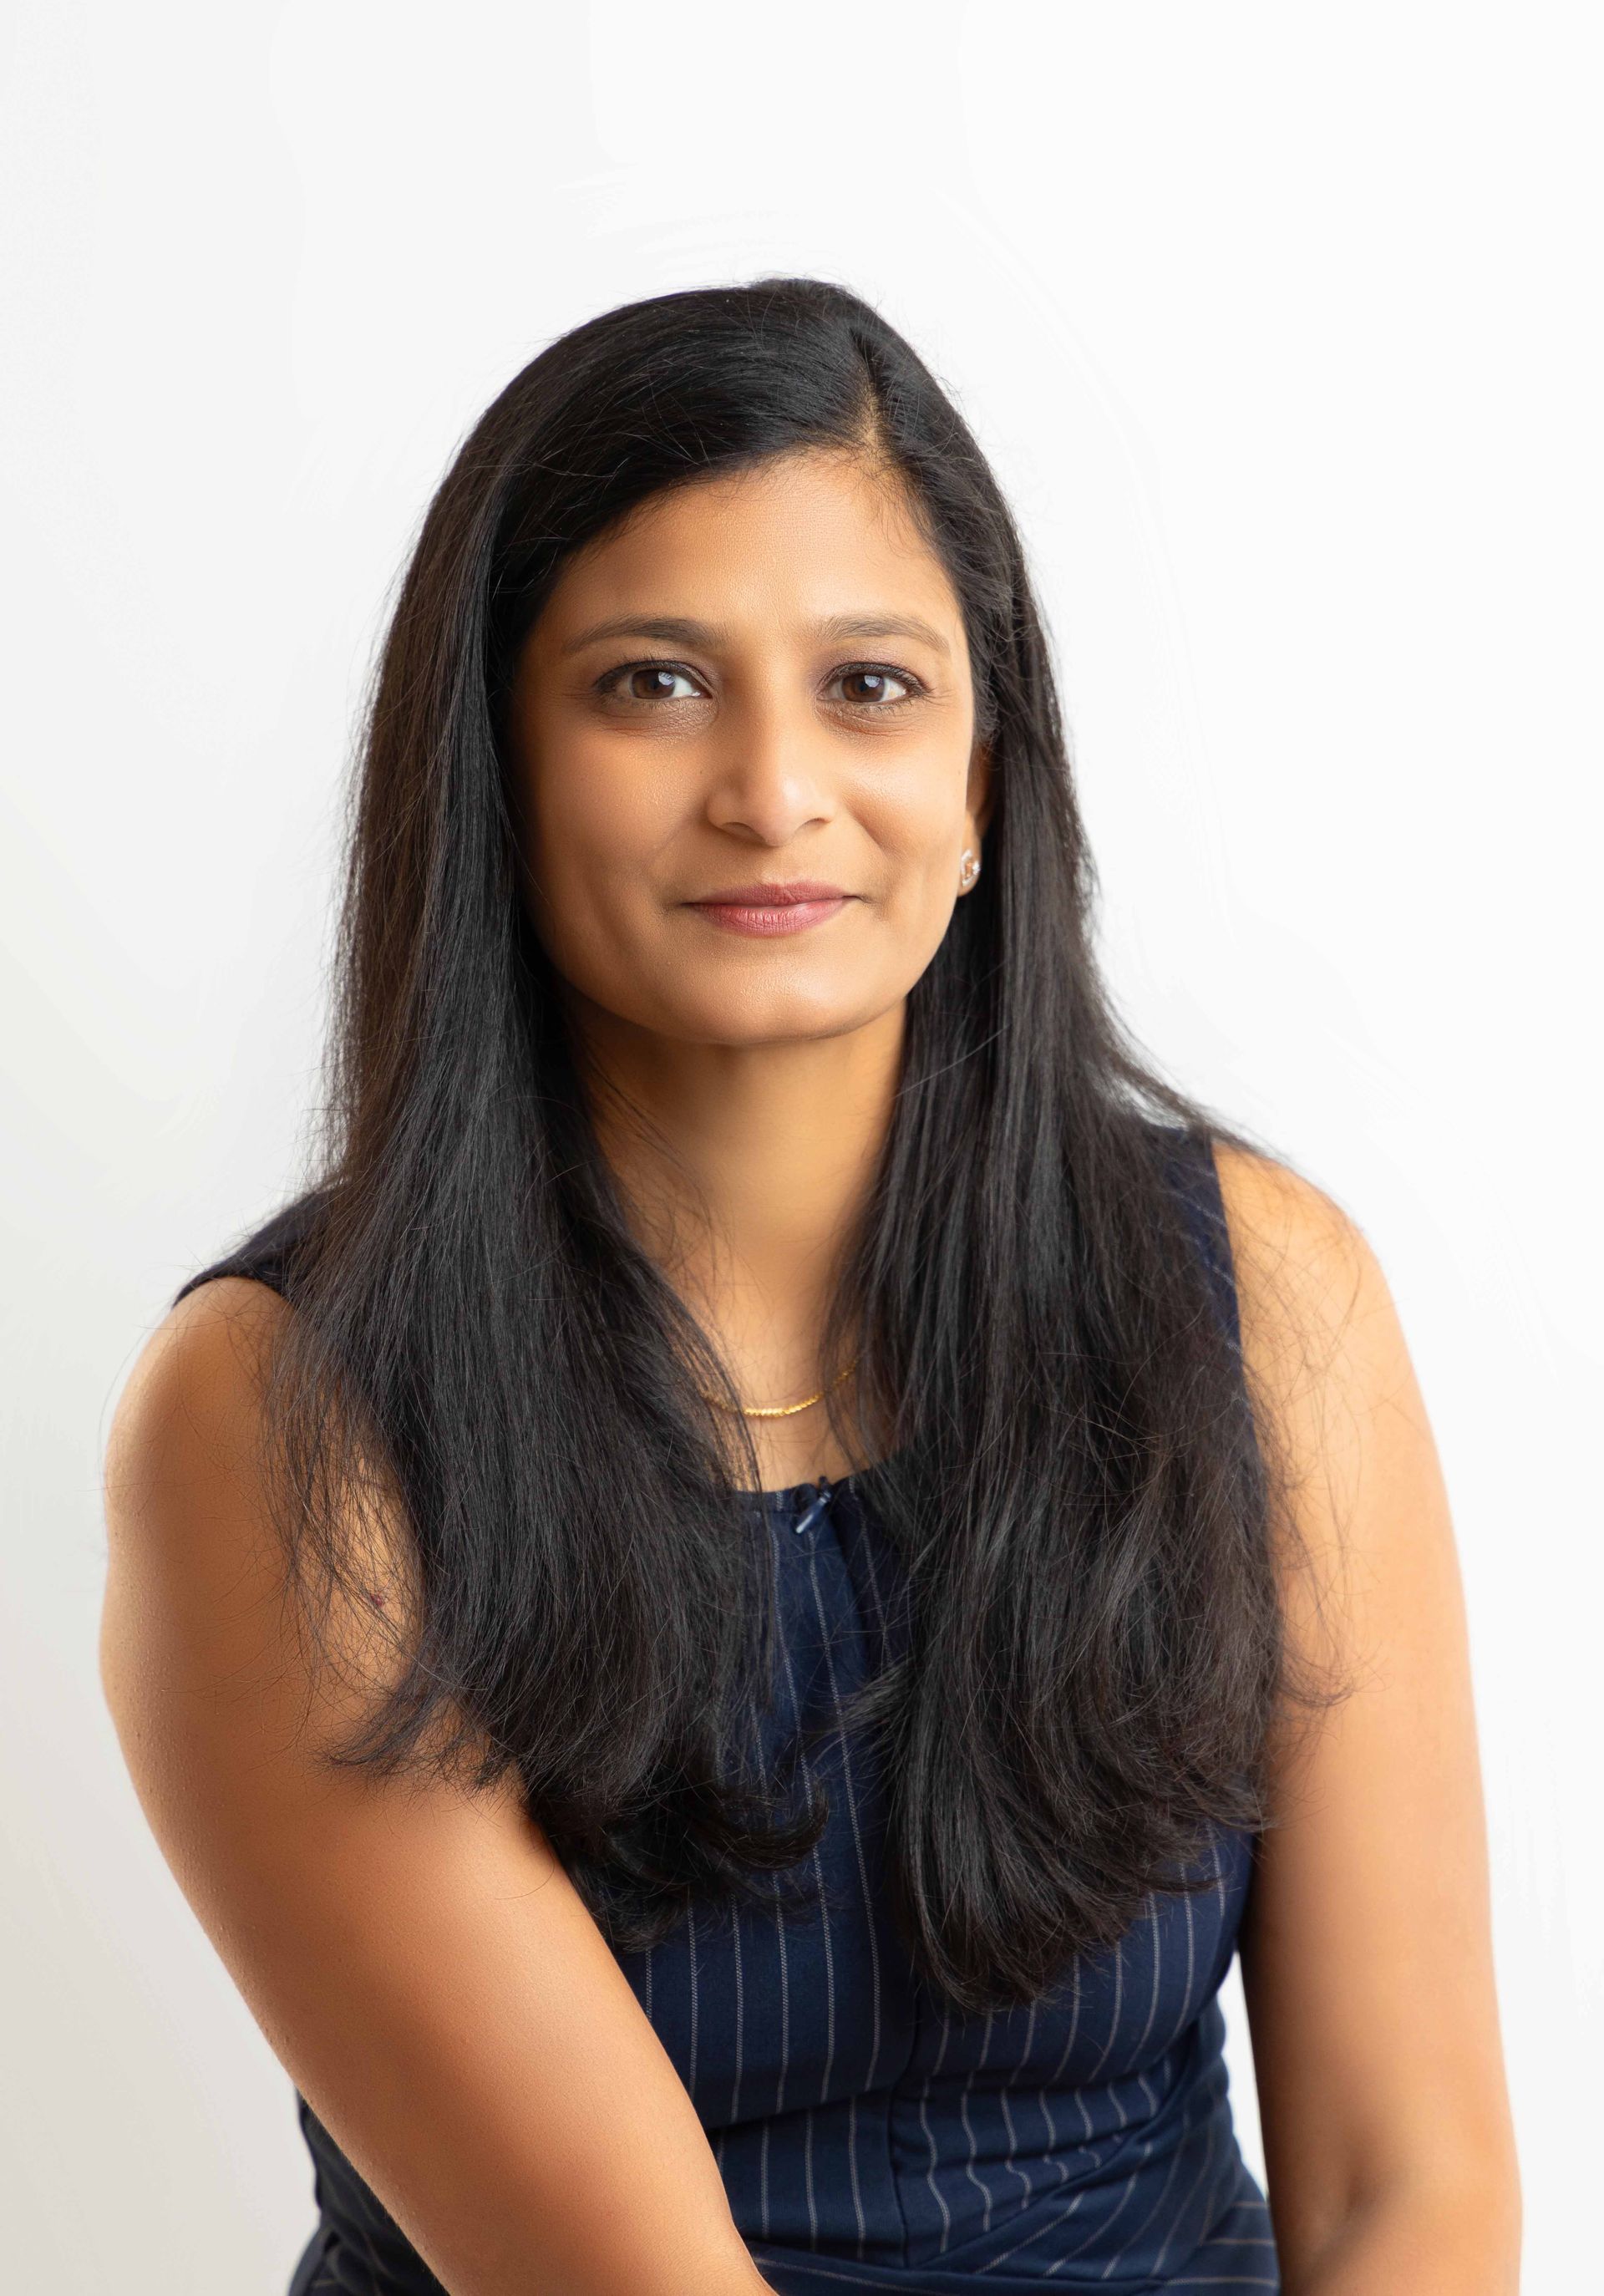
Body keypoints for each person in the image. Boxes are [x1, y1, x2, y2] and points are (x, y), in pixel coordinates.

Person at [98, 278, 1520, 2296]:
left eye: (870, 687)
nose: (774, 790)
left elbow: (1413, 2193)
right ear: (495, 760)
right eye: (654, 684)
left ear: (988, 777)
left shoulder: (1263, 1296)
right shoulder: (285, 1411)